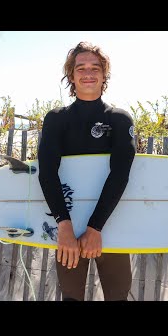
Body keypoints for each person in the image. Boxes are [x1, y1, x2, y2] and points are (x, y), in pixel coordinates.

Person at [38, 41, 136, 301]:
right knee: (70, 298)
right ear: (71, 75)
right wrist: (64, 226)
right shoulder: (56, 119)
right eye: (81, 68)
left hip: (110, 225)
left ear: (104, 75)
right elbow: (47, 173)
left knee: (118, 298)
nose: (88, 73)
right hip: (68, 226)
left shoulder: (119, 119)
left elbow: (120, 174)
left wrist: (95, 228)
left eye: (95, 67)